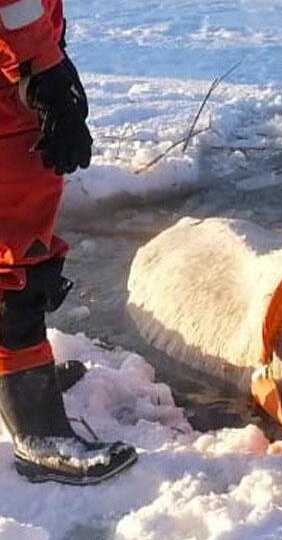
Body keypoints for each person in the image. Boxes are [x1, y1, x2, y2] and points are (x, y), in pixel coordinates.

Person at [0, 0, 136, 484]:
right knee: (17, 257)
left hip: (18, 64)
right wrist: (44, 69)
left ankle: (18, 380)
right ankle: (36, 428)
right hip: (12, 80)